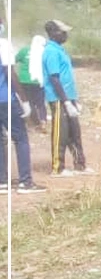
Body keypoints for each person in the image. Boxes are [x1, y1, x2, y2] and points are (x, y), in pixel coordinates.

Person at [42, 20, 93, 177]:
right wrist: (65, 101)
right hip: (58, 98)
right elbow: (55, 78)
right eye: (62, 32)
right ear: (53, 33)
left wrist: (73, 100)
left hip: (68, 97)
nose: (65, 35)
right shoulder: (51, 51)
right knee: (60, 133)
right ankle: (58, 168)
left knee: (74, 132)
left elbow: (67, 77)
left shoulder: (60, 50)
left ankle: (80, 165)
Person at [1, 37, 46, 194]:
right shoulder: (3, 44)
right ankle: (25, 182)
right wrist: (24, 100)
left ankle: (2, 181)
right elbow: (10, 73)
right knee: (21, 139)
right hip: (5, 100)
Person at [14, 36, 47, 131]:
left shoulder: (25, 50)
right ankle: (43, 121)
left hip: (25, 81)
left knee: (29, 102)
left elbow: (14, 60)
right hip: (39, 81)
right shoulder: (44, 52)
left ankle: (35, 122)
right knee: (41, 103)